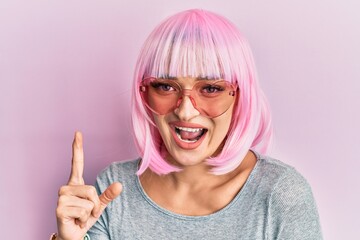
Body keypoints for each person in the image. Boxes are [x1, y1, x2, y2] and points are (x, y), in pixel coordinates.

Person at [53, 9, 322, 240]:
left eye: (211, 89)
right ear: (144, 93)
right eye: (166, 86)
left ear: (241, 97)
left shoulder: (281, 195)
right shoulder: (112, 191)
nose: (185, 110)